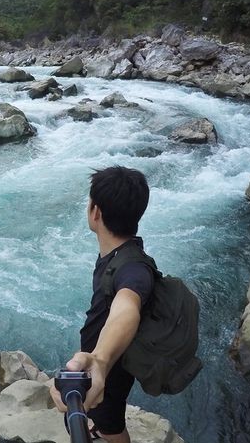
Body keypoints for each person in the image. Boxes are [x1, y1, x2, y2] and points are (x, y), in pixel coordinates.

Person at [51, 165, 155, 443]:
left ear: (95, 212)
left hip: (113, 368)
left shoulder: (133, 270)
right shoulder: (124, 253)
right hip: (112, 362)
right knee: (105, 417)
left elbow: (127, 307)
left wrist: (100, 360)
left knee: (110, 423)